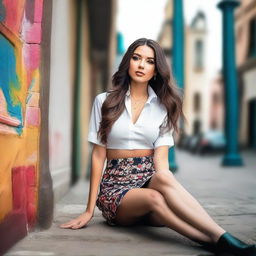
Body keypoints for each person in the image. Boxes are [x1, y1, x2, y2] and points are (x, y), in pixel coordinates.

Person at [60, 38, 256, 256]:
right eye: (136, 58)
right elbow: (98, 155)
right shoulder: (104, 101)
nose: (142, 65)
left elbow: (161, 164)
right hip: (116, 188)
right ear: (128, 63)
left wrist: (167, 184)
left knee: (164, 179)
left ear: (156, 70)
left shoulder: (164, 107)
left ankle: (220, 235)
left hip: (148, 177)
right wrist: (88, 210)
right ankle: (214, 241)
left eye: (149, 61)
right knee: (155, 199)